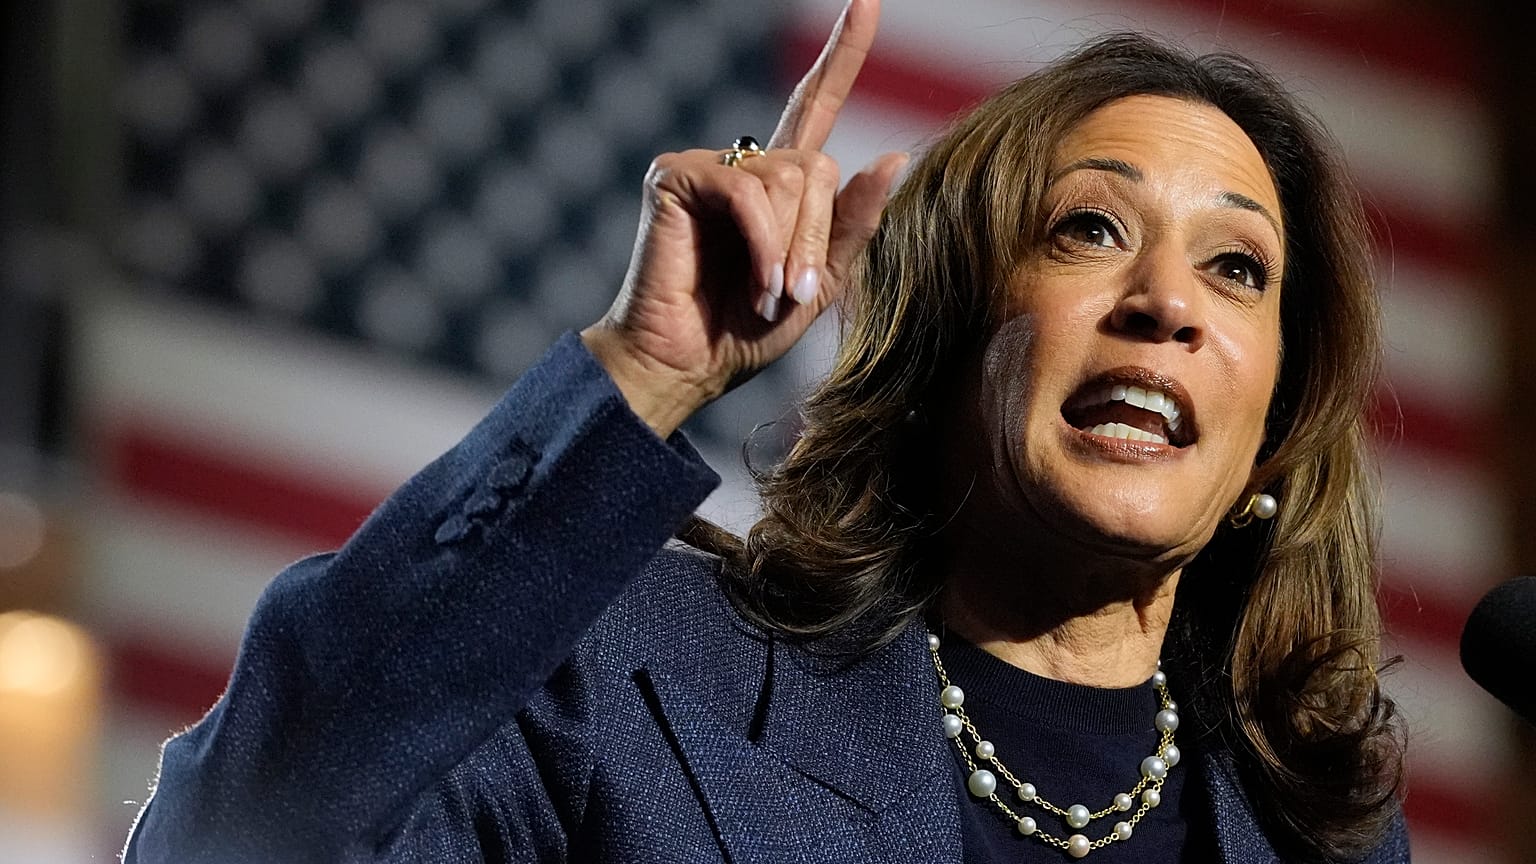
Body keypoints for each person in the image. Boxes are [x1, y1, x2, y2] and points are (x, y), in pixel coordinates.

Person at [122, 1, 1407, 861]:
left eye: (1239, 268)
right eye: (1089, 230)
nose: (1168, 304)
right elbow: (238, 833)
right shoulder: (627, 680)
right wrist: (641, 373)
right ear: (945, 339)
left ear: (1277, 420)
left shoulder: (1322, 823)